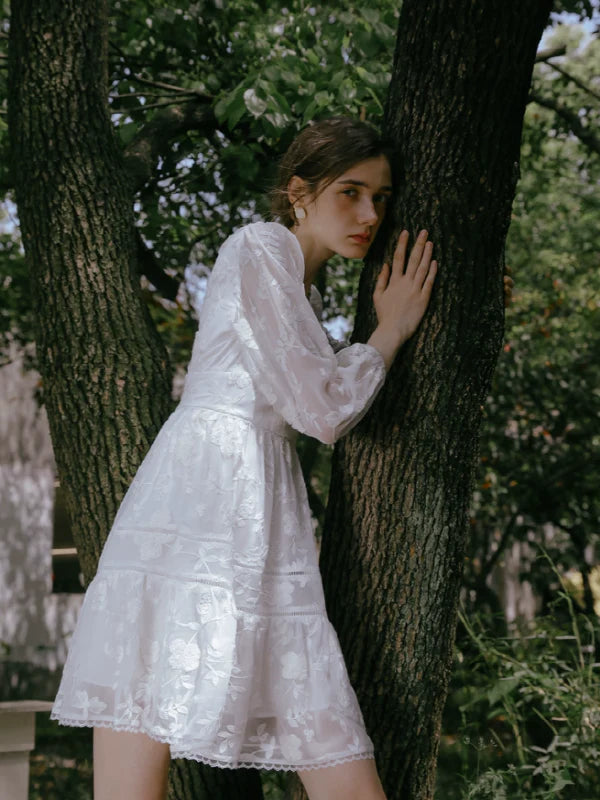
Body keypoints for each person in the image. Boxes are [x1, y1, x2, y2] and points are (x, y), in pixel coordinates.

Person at [50, 117, 437, 800]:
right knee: (135, 735)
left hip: (251, 500)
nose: (371, 214)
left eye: (380, 197)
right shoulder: (258, 247)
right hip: (204, 494)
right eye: (351, 192)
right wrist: (391, 331)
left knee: (318, 719)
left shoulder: (303, 290)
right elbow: (323, 411)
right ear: (298, 193)